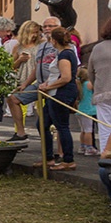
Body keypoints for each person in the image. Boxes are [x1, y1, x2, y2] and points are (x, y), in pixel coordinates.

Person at [7, 18, 63, 141]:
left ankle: (53, 133)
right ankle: (20, 132)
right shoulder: (21, 46)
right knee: (14, 100)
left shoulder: (47, 44)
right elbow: (14, 65)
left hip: (50, 82)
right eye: (45, 27)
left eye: (37, 32)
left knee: (45, 111)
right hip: (29, 79)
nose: (36, 35)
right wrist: (20, 61)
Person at [36, 27, 80, 171]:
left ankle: (68, 160)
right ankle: (48, 157)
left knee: (62, 126)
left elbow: (66, 77)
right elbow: (57, 75)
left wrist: (48, 87)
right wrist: (47, 84)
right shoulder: (64, 53)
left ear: (54, 41)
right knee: (42, 123)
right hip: (54, 92)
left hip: (61, 93)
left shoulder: (65, 55)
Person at [88, 18, 111, 159]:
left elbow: (90, 72)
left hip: (102, 92)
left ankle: (105, 161)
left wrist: (97, 85)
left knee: (104, 128)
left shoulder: (98, 48)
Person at [77, 67, 99, 156]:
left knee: (83, 130)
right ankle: (89, 148)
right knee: (88, 130)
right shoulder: (89, 84)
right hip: (88, 110)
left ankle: (82, 146)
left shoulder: (80, 85)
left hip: (80, 109)